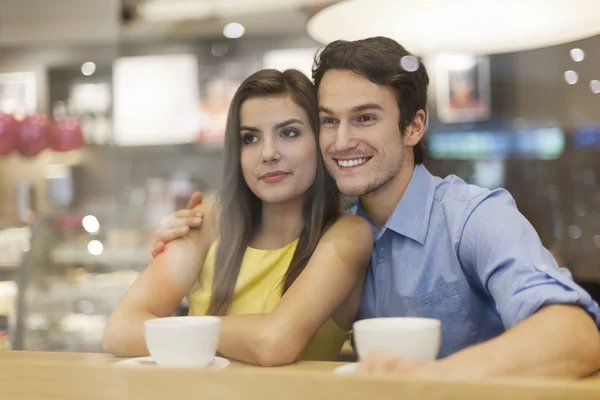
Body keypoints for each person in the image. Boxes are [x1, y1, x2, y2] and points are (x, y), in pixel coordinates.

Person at [154, 37, 600, 379]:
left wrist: (436, 378)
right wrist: (195, 230)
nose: (342, 141)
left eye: (365, 118)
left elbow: (576, 334)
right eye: (329, 121)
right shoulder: (338, 232)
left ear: (413, 126)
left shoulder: (471, 216)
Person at [103, 69, 372, 366]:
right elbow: (119, 331)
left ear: (320, 140)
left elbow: (273, 342)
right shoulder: (209, 221)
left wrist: (174, 333)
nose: (268, 153)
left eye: (289, 133)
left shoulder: (348, 234)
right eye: (250, 138)